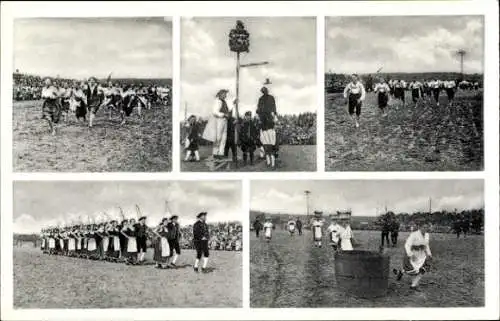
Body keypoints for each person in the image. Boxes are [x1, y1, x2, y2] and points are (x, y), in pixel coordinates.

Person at [393, 221, 433, 290]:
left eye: (427, 227)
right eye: (424, 227)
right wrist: (411, 255)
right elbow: (407, 245)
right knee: (412, 270)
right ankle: (400, 272)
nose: (425, 228)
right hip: (413, 254)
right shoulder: (414, 235)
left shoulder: (427, 235)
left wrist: (429, 253)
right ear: (419, 227)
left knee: (422, 269)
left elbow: (426, 245)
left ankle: (413, 285)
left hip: (421, 255)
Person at [202, 89, 235, 159]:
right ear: (220, 94)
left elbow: (228, 110)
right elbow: (215, 112)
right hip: (219, 120)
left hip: (224, 121)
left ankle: (221, 154)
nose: (225, 95)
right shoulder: (217, 101)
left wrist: (233, 103)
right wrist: (223, 114)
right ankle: (215, 153)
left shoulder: (224, 102)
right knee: (218, 137)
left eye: (226, 94)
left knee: (224, 138)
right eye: (224, 94)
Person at [256, 86, 279, 168]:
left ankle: (272, 162)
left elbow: (274, 109)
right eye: (263, 91)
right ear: (262, 92)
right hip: (264, 124)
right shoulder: (261, 99)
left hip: (269, 123)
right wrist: (259, 118)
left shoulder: (271, 98)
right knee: (265, 142)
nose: (265, 92)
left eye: (265, 90)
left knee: (271, 142)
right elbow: (258, 110)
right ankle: (269, 161)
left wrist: (274, 117)